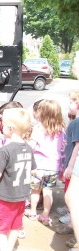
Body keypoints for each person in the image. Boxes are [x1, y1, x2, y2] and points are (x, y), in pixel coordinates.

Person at [0, 108, 36, 251]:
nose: (1, 127)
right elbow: (33, 169)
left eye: (3, 124)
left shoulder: (5, 150)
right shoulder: (28, 147)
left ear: (10, 128)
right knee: (15, 225)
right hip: (21, 195)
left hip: (5, 197)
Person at [24, 100, 65, 226]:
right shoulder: (61, 129)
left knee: (35, 191)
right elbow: (63, 147)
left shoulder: (38, 129)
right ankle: (45, 215)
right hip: (53, 167)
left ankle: (32, 212)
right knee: (48, 191)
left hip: (38, 166)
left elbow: (32, 145)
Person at [61, 90, 79, 249]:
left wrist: (71, 165)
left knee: (72, 197)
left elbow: (77, 145)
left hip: (74, 165)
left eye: (72, 102)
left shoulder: (78, 122)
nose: (69, 105)